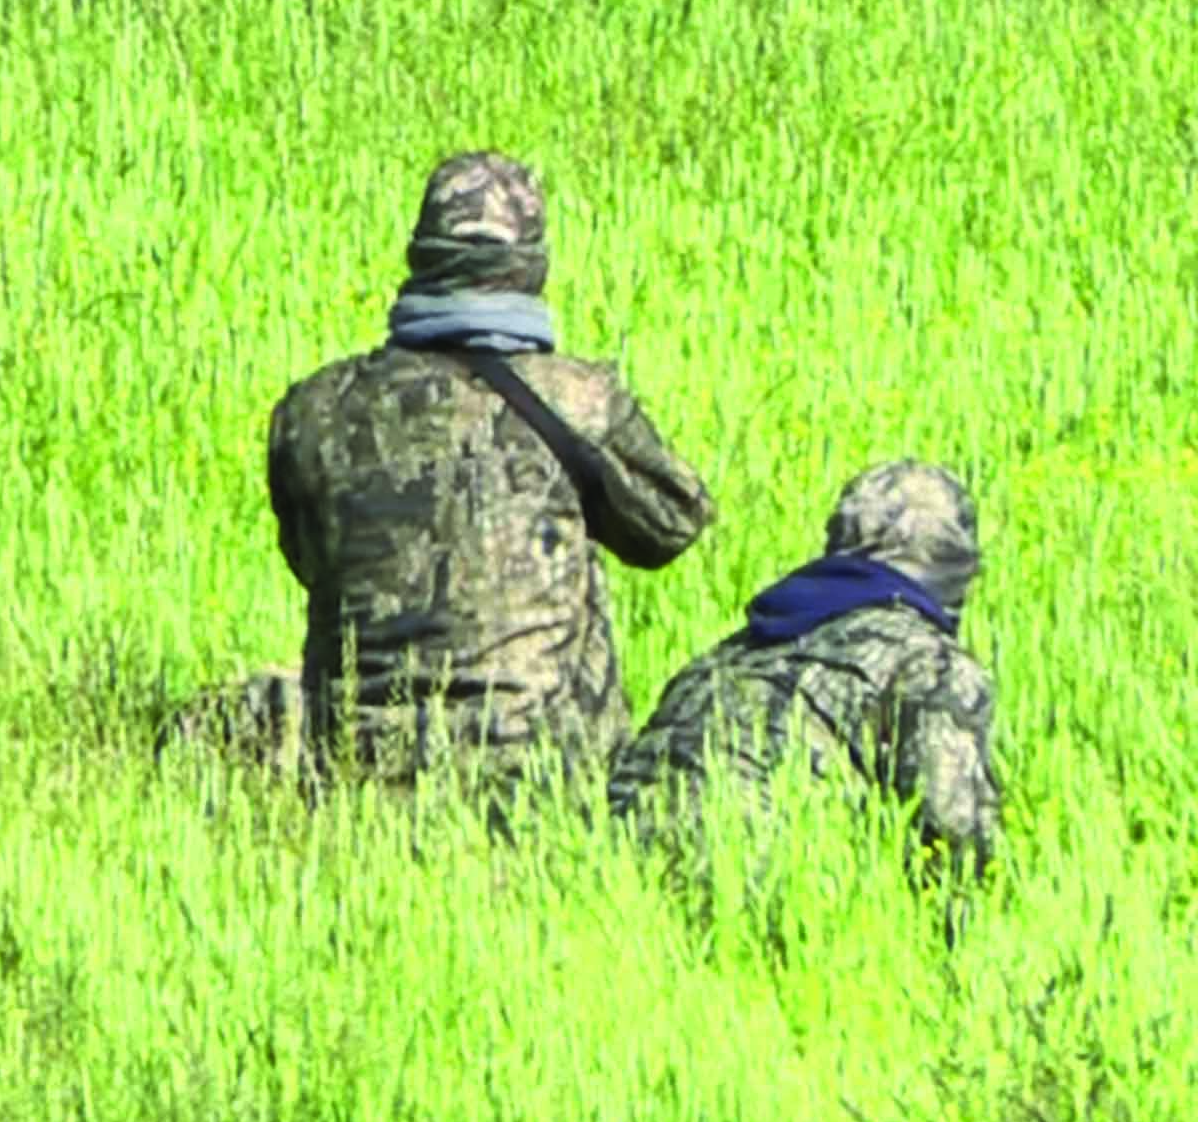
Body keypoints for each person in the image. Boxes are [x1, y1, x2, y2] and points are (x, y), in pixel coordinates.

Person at [261, 151, 716, 800]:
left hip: (358, 765)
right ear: (532, 265)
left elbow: (309, 558)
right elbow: (672, 526)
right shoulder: (579, 400)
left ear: (421, 255)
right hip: (536, 769)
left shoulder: (315, 409)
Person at [607, 459, 1002, 877]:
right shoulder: (929, 662)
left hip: (619, 874)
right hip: (757, 880)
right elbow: (956, 831)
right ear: (954, 564)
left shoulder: (738, 647)